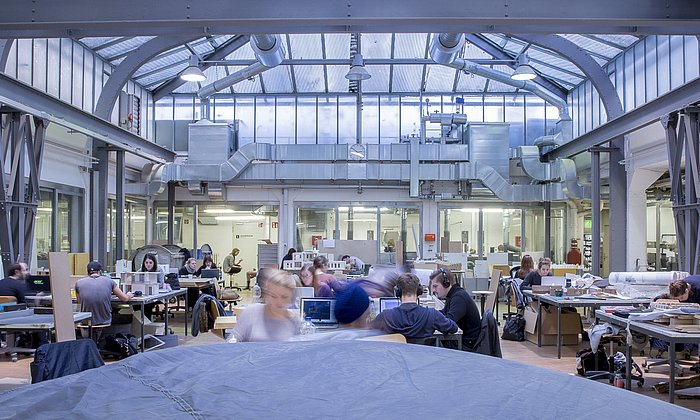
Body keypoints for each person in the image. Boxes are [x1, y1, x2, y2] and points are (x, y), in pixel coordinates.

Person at [373, 273, 457, 342]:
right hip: (424, 361)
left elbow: (369, 333)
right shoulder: (432, 315)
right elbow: (453, 328)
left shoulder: (385, 316)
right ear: (419, 291)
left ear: (397, 292)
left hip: (396, 361)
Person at [231, 269, 301, 342]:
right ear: (267, 295)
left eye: (284, 297)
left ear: (292, 297)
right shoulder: (251, 313)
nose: (279, 302)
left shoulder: (294, 321)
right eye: (273, 296)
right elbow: (232, 340)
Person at [430, 268, 481, 351]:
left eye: (435, 286)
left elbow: (448, 321)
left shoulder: (458, 298)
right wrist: (427, 314)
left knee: (429, 342)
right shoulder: (453, 295)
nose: (433, 290)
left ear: (446, 284)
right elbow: (444, 313)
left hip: (466, 344)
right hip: (463, 340)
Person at [75, 261, 132, 326]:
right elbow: (124, 298)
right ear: (100, 271)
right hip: (105, 321)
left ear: (87, 273)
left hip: (86, 322)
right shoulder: (109, 281)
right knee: (128, 317)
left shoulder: (78, 283)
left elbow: (80, 302)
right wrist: (129, 295)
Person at [138, 254, 164, 320]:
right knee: (137, 304)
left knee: (147, 304)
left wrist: (153, 285)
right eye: (146, 263)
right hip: (144, 294)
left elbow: (161, 284)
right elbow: (137, 281)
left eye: (150, 262)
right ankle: (139, 321)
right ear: (144, 263)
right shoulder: (140, 271)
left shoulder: (159, 270)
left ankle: (147, 322)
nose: (148, 265)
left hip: (156, 294)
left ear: (154, 263)